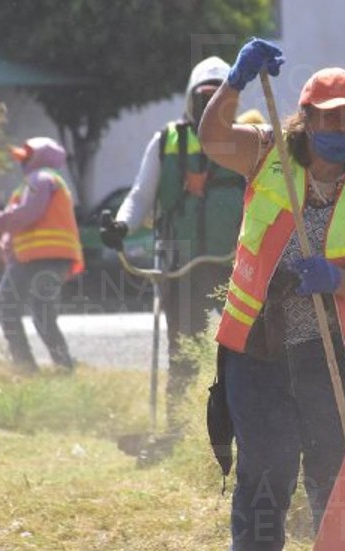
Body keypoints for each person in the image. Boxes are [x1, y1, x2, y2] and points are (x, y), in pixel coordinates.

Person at [198, 38, 345, 551]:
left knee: (334, 474)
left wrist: (336, 280)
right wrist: (236, 80)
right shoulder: (266, 158)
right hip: (260, 350)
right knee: (265, 467)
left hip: (333, 354)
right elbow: (212, 138)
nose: (338, 127)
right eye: (328, 116)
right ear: (305, 117)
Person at [100, 56, 248, 433]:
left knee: (243, 353)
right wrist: (121, 225)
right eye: (204, 99)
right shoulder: (166, 140)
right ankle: (176, 432)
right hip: (179, 267)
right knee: (183, 354)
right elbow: (140, 195)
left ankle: (240, 429)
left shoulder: (248, 140)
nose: (210, 106)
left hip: (235, 267)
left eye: (220, 98)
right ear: (190, 100)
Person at [0, 137, 83, 373]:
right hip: (52, 258)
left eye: (26, 158)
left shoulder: (40, 180)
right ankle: (64, 367)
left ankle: (25, 366)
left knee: (6, 305)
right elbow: (21, 224)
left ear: (39, 159)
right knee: (43, 315)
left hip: (40, 258)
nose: (22, 162)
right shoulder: (41, 183)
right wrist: (1, 237)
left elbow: (28, 213)